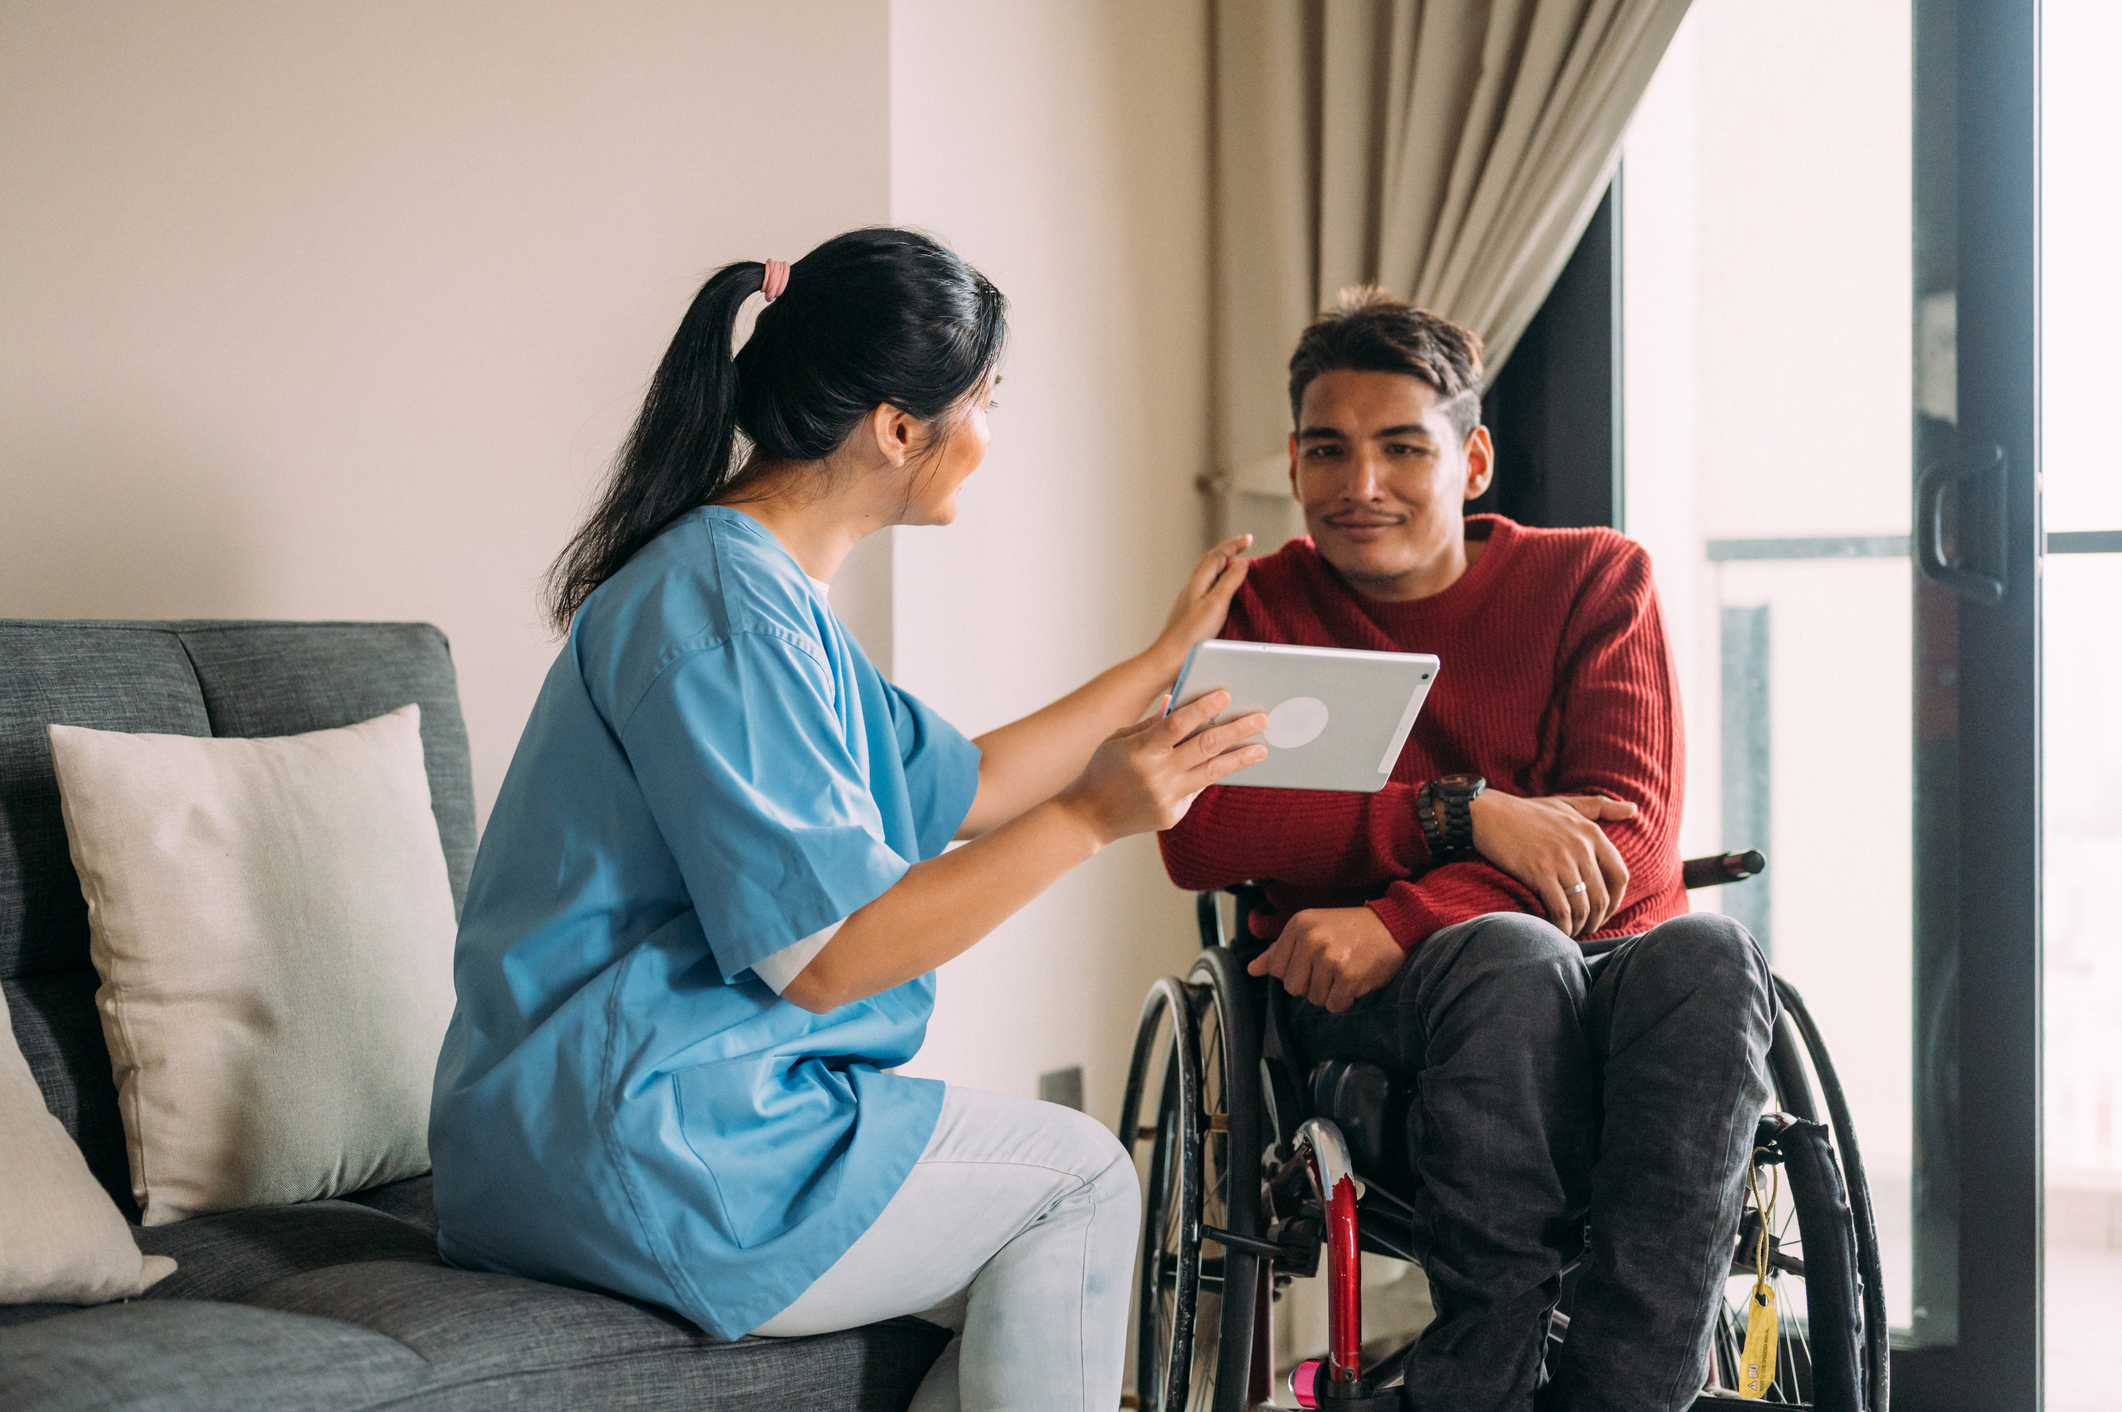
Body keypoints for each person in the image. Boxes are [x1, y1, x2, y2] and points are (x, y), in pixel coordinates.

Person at [429, 227, 1269, 1412]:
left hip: (599, 1123)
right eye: (986, 399)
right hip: (633, 1141)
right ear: (895, 426)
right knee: (1078, 1178)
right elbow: (830, 958)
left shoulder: (753, 590)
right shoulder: (725, 608)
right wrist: (1093, 817)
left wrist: (1163, 658)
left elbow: (967, 784)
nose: (991, 434)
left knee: (1012, 1254)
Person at [1158, 289, 1777, 1412]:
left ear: (1472, 457)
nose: (1361, 485)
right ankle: (1478, 1383)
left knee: (1713, 959)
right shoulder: (1262, 604)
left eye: (1401, 447)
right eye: (1328, 451)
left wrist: (1401, 908)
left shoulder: (1595, 579)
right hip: (1360, 998)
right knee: (1504, 952)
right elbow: (1199, 828)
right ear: (1293, 465)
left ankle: (1626, 1389)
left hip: (1566, 966)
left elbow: (1630, 843)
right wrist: (1470, 814)